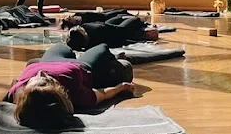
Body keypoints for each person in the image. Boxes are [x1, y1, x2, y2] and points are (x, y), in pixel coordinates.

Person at [7, 42, 135, 129]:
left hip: (47, 61)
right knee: (102, 47)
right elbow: (103, 94)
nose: (41, 73)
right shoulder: (76, 93)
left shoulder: (16, 92)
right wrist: (121, 87)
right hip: (79, 66)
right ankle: (114, 62)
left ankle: (77, 43)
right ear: (60, 89)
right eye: (47, 79)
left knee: (61, 46)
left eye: (34, 80)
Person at [65, 11, 153, 49]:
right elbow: (118, 40)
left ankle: (138, 20)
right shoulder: (93, 42)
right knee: (134, 20)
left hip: (107, 24)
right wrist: (140, 42)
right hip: (119, 30)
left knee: (118, 15)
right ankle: (142, 20)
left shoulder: (85, 26)